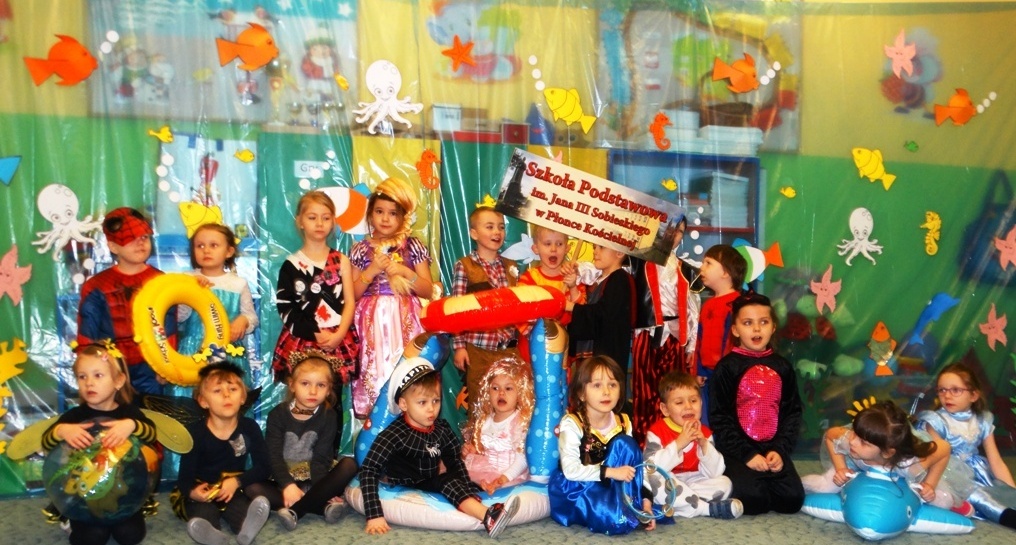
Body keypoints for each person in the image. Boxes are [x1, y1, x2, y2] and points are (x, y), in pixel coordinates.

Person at [358, 358, 520, 537]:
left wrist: (467, 489)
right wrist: (374, 515)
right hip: (405, 484)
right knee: (446, 482)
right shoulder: (394, 434)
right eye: (422, 403)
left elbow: (454, 461)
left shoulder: (441, 428)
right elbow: (368, 469)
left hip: (429, 479)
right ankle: (488, 516)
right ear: (404, 404)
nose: (431, 409)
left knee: (464, 482)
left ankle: (488, 506)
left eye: (436, 401)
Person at [40, 344, 157, 545]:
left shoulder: (129, 413)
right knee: (92, 538)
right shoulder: (74, 417)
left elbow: (152, 434)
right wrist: (62, 430)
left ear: (118, 381)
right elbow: (45, 442)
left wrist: (131, 425)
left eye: (98, 375)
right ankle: (70, 522)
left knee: (131, 536)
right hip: (83, 496)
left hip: (125, 494)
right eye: (82, 377)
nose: (89, 383)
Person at [708, 292, 804, 516]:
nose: (757, 329)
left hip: (773, 448)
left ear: (773, 327)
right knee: (754, 501)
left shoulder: (783, 366)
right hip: (739, 450)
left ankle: (768, 471)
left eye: (763, 322)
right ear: (735, 330)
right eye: (748, 323)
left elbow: (792, 413)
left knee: (792, 501)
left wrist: (779, 451)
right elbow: (719, 418)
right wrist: (748, 455)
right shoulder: (727, 367)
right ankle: (729, 476)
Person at [247, 352, 358, 531]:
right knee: (252, 488)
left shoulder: (328, 415)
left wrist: (323, 488)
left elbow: (321, 458)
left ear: (329, 389)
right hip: (282, 477)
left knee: (349, 465)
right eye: (305, 383)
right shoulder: (278, 414)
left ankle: (296, 511)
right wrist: (288, 485)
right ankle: (321, 506)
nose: (313, 391)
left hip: (314, 477)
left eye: (321, 385)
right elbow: (273, 456)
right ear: (292, 385)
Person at [350, 178, 433, 418]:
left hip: (406, 319)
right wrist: (372, 270)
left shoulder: (412, 245)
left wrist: (406, 273)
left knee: (406, 370)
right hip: (371, 324)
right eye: (379, 211)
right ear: (370, 215)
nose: (385, 218)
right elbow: (352, 294)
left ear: (403, 217)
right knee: (375, 370)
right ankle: (375, 423)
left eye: (393, 213)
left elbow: (428, 290)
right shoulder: (361, 249)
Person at [548, 355, 656, 535]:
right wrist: (610, 472)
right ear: (582, 394)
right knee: (614, 521)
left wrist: (646, 501)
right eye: (597, 385)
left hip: (612, 483)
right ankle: (617, 508)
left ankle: (629, 504)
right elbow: (571, 470)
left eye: (612, 385)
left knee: (626, 444)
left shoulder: (624, 421)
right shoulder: (572, 423)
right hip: (577, 488)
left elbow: (636, 466)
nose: (606, 392)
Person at [272, 190, 359, 401]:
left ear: (333, 222)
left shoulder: (341, 260)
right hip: (304, 339)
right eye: (312, 217)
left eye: (326, 218)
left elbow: (350, 302)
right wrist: (314, 333)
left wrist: (339, 335)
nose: (319, 223)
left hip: (337, 337)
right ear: (300, 222)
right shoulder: (291, 265)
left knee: (332, 397)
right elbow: (286, 307)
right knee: (304, 395)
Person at [172, 362, 271, 545]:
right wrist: (192, 492)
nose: (226, 395)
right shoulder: (195, 432)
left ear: (243, 397)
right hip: (202, 491)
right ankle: (213, 536)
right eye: (217, 391)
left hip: (232, 489)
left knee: (242, 510)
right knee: (204, 513)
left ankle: (246, 530)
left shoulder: (249, 427)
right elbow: (184, 478)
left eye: (233, 389)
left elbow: (264, 467)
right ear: (203, 401)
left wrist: (237, 481)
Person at [78, 207, 170, 395]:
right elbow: (87, 333)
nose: (140, 243)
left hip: (151, 368)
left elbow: (168, 327)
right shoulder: (96, 286)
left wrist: (167, 365)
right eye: (130, 239)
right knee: (112, 412)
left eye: (144, 237)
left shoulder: (161, 282)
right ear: (113, 247)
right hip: (110, 368)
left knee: (152, 411)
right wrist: (89, 368)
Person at [917, 363, 1016, 529]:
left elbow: (996, 461)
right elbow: (936, 460)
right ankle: (1007, 517)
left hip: (977, 472)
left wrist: (1012, 490)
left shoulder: (982, 420)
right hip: (947, 473)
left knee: (1000, 493)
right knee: (980, 497)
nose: (947, 396)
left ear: (973, 395)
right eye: (942, 390)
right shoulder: (936, 421)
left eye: (955, 390)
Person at [803, 400, 952, 510]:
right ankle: (798, 484)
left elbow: (944, 448)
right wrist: (841, 468)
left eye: (863, 442)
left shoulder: (909, 465)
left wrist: (930, 484)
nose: (853, 441)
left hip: (899, 472)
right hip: (854, 466)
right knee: (825, 487)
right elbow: (831, 435)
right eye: (854, 433)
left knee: (943, 501)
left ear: (887, 452)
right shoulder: (852, 443)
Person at [630, 216, 701, 444]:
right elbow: (605, 268)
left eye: (680, 231)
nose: (674, 235)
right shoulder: (638, 260)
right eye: (670, 228)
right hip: (647, 334)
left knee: (675, 392)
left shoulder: (684, 268)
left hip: (675, 337)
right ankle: (645, 442)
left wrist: (690, 346)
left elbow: (693, 309)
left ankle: (674, 441)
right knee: (644, 391)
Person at [643, 370, 741, 520]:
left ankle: (682, 504)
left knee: (726, 483)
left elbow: (715, 473)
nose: (688, 407)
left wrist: (704, 445)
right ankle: (706, 509)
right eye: (679, 402)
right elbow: (650, 469)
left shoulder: (704, 432)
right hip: (669, 480)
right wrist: (678, 444)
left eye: (693, 401)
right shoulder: (657, 431)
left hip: (694, 482)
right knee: (652, 482)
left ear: (701, 403)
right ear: (665, 409)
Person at [451, 205, 519, 397]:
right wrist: (459, 347)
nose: (497, 232)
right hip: (478, 349)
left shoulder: (511, 266)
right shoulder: (465, 266)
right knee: (479, 399)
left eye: (501, 227)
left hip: (509, 348)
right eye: (489, 227)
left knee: (510, 400)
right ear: (474, 233)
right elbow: (456, 309)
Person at [178, 223, 258, 384]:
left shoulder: (238, 283)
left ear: (229, 251)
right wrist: (191, 290)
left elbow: (252, 317)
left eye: (213, 245)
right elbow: (179, 317)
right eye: (200, 246)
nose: (206, 250)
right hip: (193, 351)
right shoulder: (187, 279)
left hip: (227, 353)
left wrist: (243, 320)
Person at [564, 244, 636, 392]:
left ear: (619, 252)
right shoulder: (601, 280)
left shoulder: (620, 279)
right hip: (592, 355)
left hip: (606, 356)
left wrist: (571, 307)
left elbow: (603, 316)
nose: (595, 252)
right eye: (594, 247)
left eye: (602, 247)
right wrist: (572, 287)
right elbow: (587, 310)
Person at [462, 355, 534, 494]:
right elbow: (485, 451)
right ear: (487, 392)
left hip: (510, 476)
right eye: (495, 388)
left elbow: (523, 459)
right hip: (485, 472)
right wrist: (472, 451)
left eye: (508, 388)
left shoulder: (519, 422)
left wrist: (503, 478)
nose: (501, 393)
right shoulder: (485, 420)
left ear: (520, 393)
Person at [694, 244, 746, 425]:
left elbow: (731, 341)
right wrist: (699, 370)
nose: (702, 268)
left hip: (727, 375)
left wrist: (725, 371)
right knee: (707, 417)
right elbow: (699, 339)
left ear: (726, 272)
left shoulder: (736, 304)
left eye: (708, 263)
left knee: (726, 418)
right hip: (708, 375)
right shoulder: (708, 304)